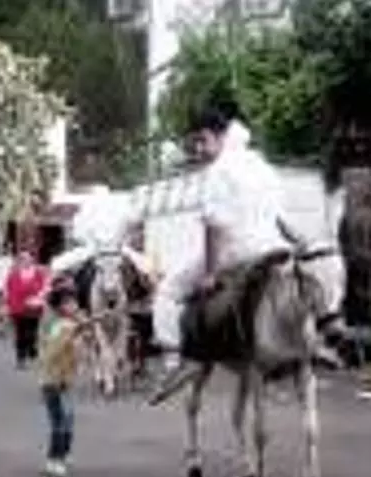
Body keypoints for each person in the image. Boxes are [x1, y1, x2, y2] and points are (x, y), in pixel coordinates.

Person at [124, 103, 299, 371]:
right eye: (195, 143)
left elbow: (214, 228)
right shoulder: (259, 163)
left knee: (167, 292)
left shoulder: (218, 171)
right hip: (274, 246)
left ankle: (173, 357)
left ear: (220, 136)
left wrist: (210, 274)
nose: (199, 149)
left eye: (202, 140)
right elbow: (280, 215)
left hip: (238, 251)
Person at [38, 285, 87, 477]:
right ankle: (54, 460)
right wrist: (70, 333)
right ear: (59, 306)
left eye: (74, 302)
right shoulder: (56, 325)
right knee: (59, 423)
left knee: (69, 422)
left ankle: (63, 456)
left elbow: (79, 353)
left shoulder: (71, 324)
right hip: (53, 381)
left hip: (67, 380)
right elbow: (51, 353)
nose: (74, 305)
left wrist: (80, 331)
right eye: (68, 302)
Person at [4, 251, 50, 369]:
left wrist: (39, 297)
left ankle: (32, 352)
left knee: (32, 332)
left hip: (33, 307)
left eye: (27, 258)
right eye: (22, 259)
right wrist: (7, 305)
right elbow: (7, 290)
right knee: (20, 333)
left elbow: (45, 288)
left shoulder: (38, 273)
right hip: (17, 307)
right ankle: (21, 358)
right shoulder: (13, 274)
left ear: (32, 260)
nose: (25, 261)